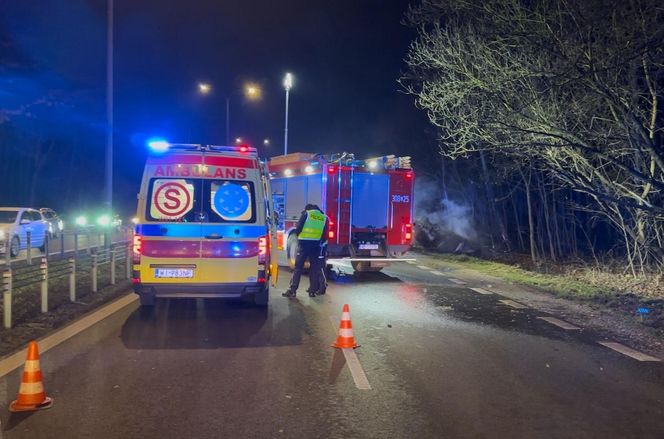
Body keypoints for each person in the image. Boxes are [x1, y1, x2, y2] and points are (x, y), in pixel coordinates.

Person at [282, 203, 329, 298]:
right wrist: (318, 242)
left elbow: (298, 228)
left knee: (298, 267)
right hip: (316, 245)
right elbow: (325, 234)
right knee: (314, 269)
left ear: (308, 208)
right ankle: (312, 291)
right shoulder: (324, 217)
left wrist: (299, 238)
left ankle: (293, 290)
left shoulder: (307, 214)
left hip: (304, 245)